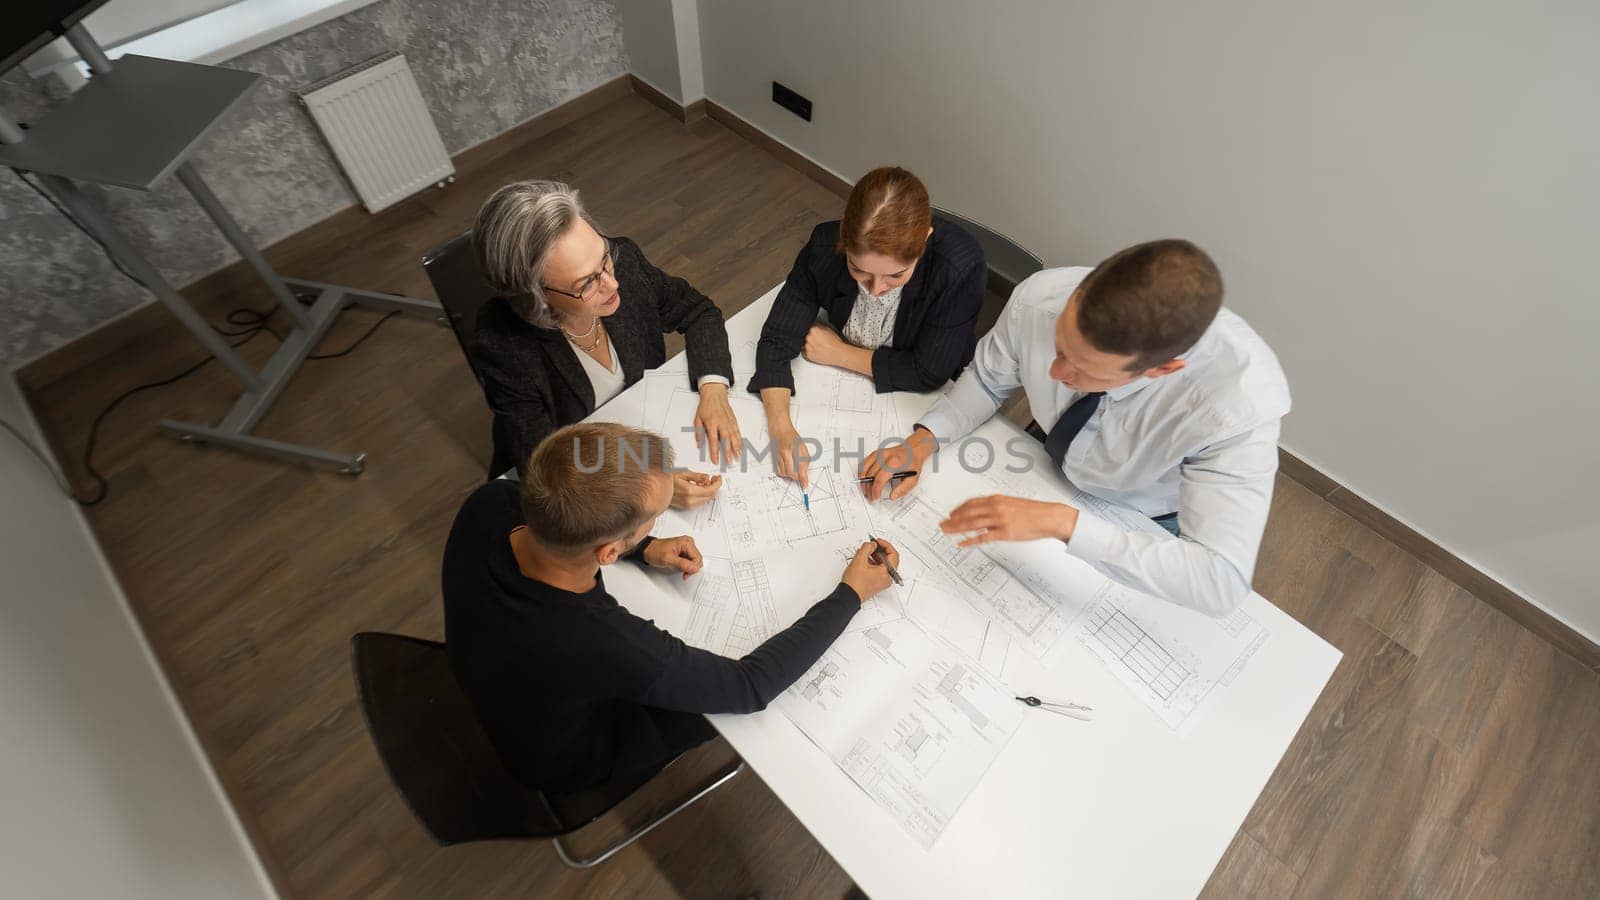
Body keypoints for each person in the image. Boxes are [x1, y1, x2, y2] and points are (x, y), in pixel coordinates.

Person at [442, 421, 900, 792]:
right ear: (606, 551)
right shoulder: (598, 639)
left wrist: (645, 547)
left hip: (493, 673)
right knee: (722, 718)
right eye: (654, 517)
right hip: (559, 759)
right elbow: (748, 687)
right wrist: (850, 594)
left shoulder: (492, 502)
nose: (659, 519)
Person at [859, 240, 1289, 618]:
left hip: (1137, 512)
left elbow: (1219, 583)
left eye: (1085, 370)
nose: (1055, 371)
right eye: (1061, 346)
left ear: (1161, 370)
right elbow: (990, 379)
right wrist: (924, 439)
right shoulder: (1042, 297)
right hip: (1051, 458)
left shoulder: (1238, 409)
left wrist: (1064, 524)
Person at [470, 180, 739, 508]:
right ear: (536, 298)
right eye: (586, 283)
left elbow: (698, 311)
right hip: (585, 471)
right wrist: (653, 486)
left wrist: (713, 390)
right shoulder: (503, 345)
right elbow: (548, 470)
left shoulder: (623, 261)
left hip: (644, 426)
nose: (612, 283)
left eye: (604, 259)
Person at [748, 166, 987, 488]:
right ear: (844, 239)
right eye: (859, 271)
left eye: (896, 276)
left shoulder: (959, 267)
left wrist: (840, 354)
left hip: (918, 397)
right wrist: (781, 428)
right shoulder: (823, 246)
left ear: (925, 241)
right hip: (858, 381)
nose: (875, 290)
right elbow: (778, 338)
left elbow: (929, 371)